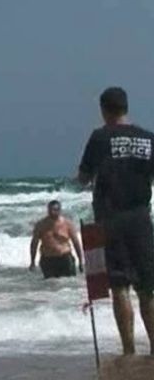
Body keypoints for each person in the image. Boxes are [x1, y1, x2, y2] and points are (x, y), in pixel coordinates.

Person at [78, 86, 154, 355]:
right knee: (147, 287)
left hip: (111, 219)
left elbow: (84, 176)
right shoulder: (148, 138)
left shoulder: (100, 137)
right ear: (126, 107)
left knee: (120, 285)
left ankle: (129, 350)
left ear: (104, 110)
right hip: (141, 218)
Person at [29, 200, 84, 278]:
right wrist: (32, 262)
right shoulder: (41, 225)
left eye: (55, 210)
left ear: (59, 210)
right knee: (51, 285)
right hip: (48, 260)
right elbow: (34, 243)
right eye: (50, 210)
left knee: (68, 284)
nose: (52, 212)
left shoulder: (67, 224)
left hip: (65, 259)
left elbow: (76, 243)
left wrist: (80, 261)